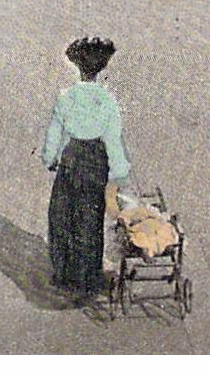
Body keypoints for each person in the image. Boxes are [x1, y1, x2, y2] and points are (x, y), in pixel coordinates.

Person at [42, 37, 130, 299]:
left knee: (63, 213)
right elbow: (113, 139)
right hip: (96, 159)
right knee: (90, 217)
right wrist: (120, 171)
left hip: (72, 156)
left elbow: (54, 134)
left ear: (77, 67)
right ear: (101, 69)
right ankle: (87, 277)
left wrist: (50, 159)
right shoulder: (107, 100)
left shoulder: (66, 97)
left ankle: (64, 273)